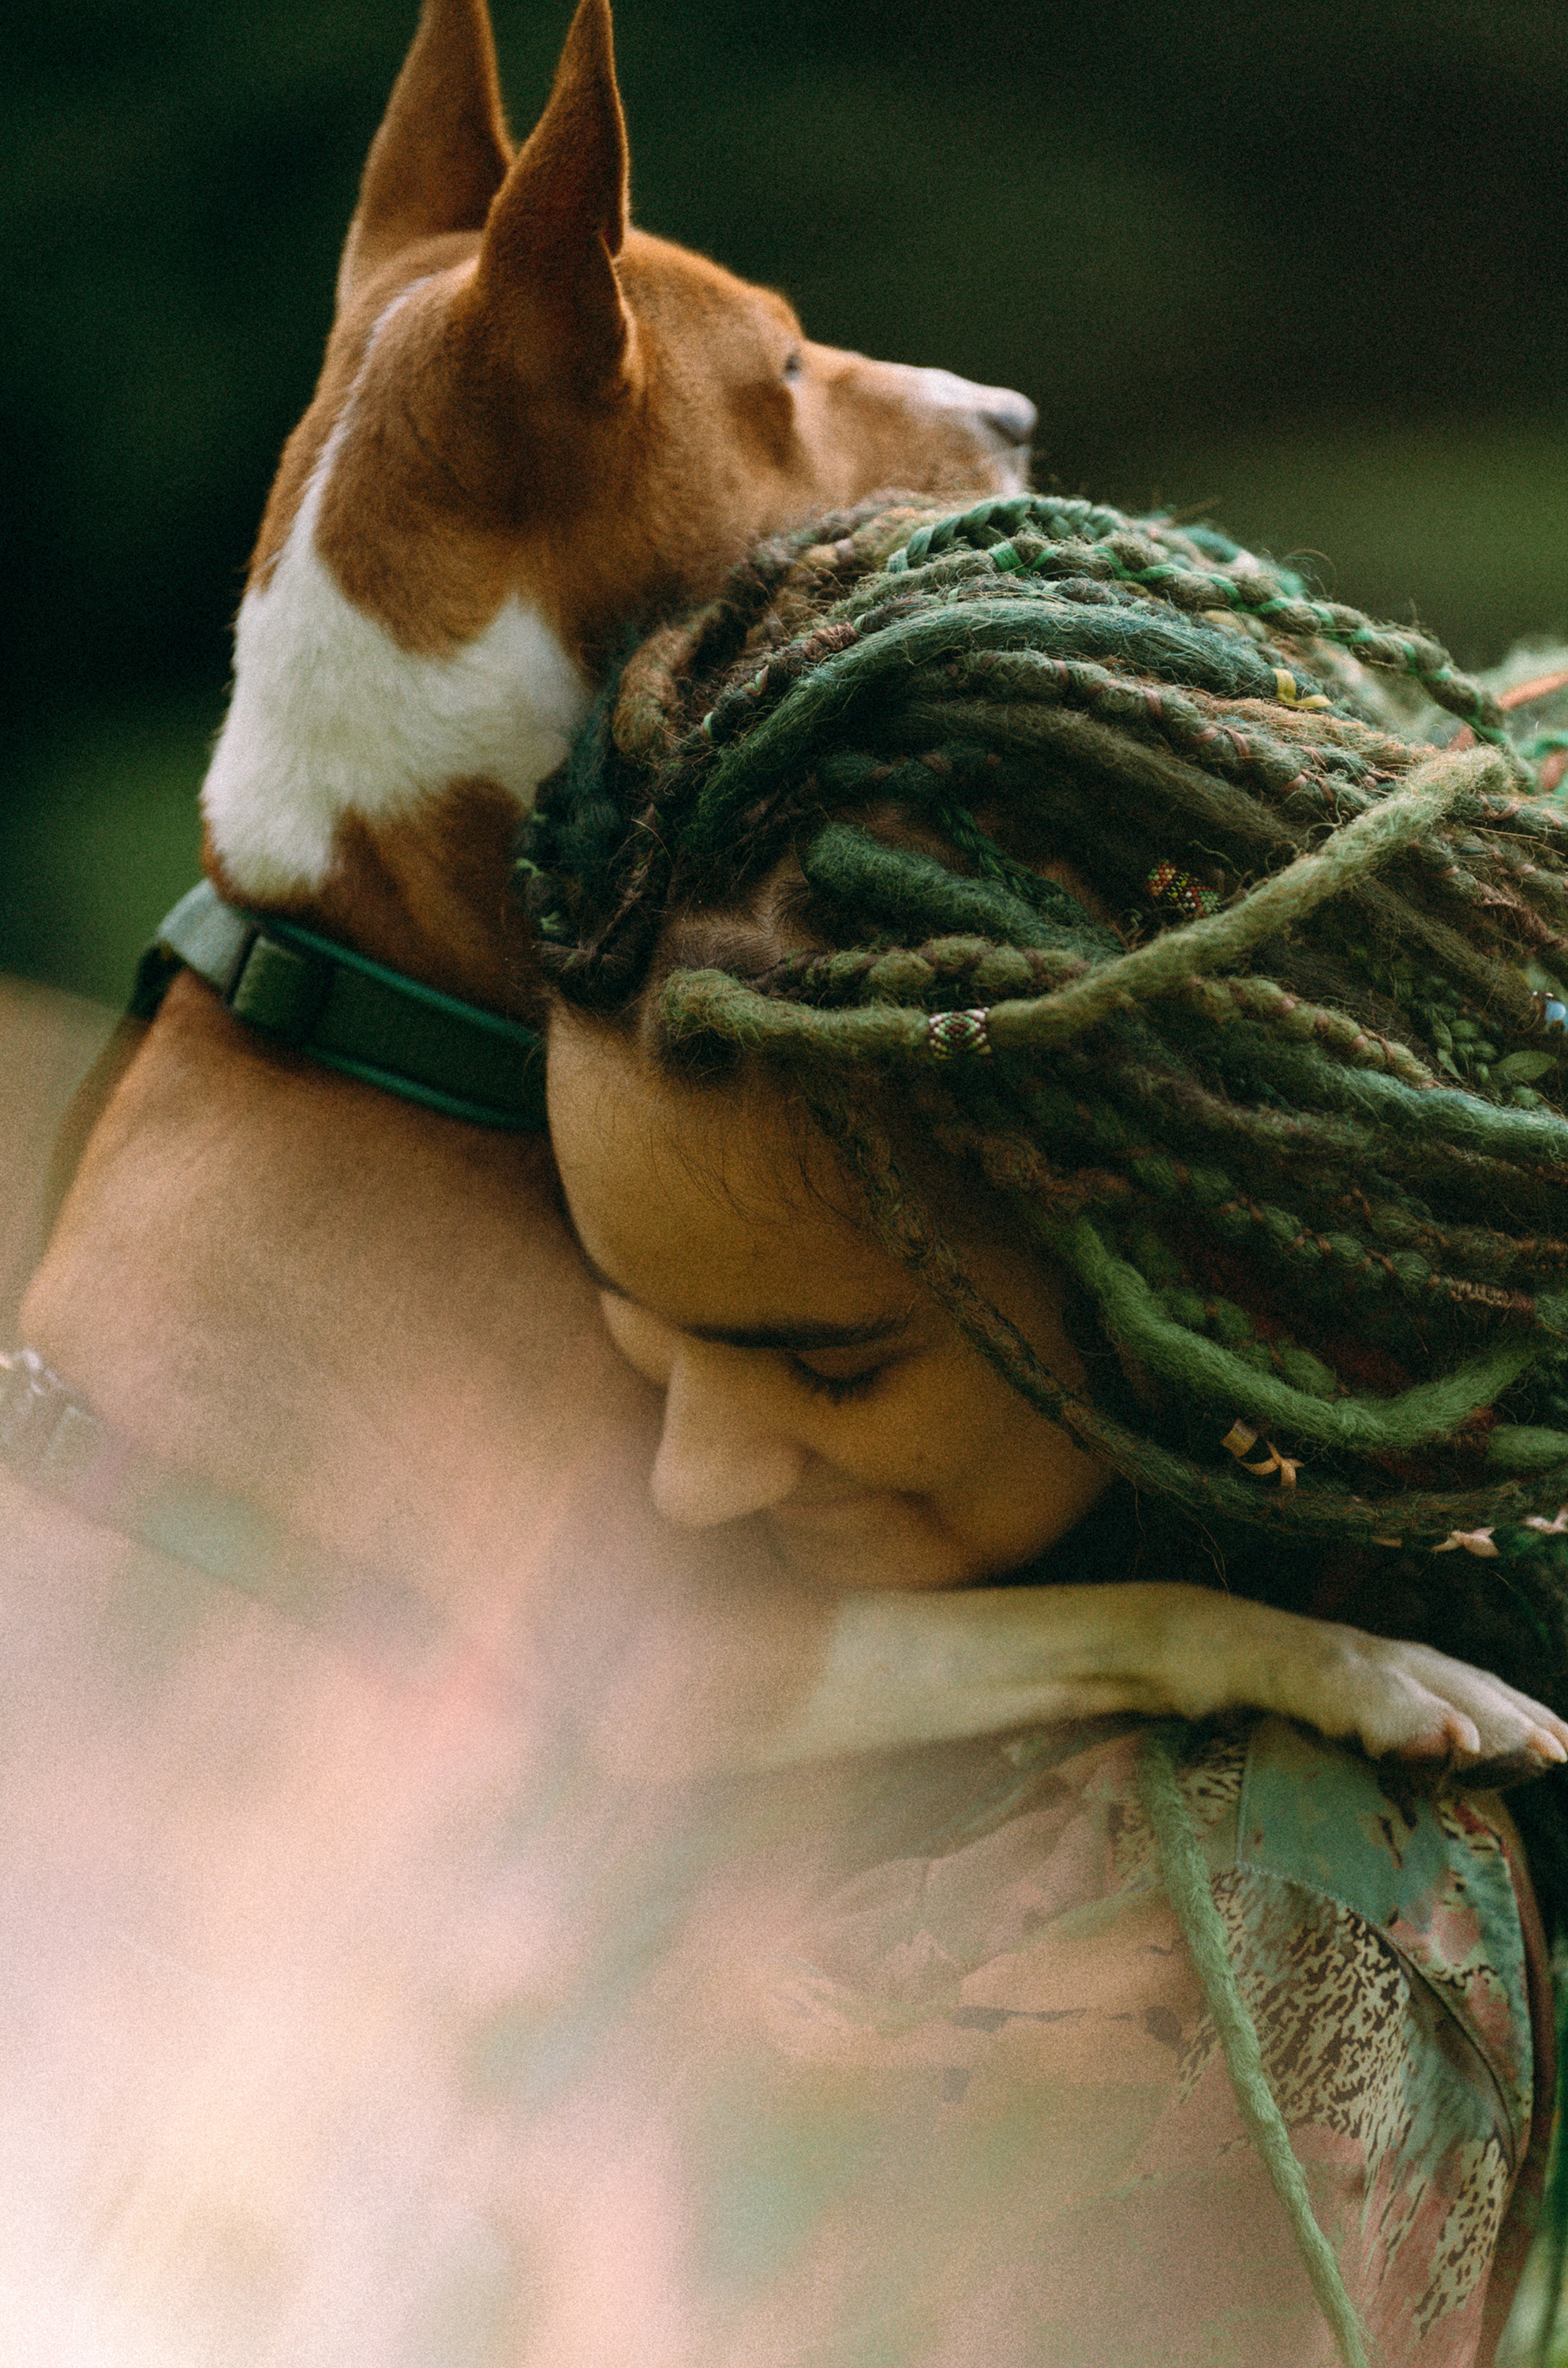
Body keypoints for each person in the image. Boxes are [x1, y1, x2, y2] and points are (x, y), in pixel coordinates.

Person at [518, 489, 1568, 2366]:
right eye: (631, 1344)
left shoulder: (1243, 1912)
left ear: (1183, 1270)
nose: (686, 1482)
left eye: (828, 1370)